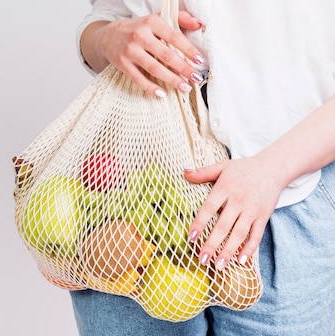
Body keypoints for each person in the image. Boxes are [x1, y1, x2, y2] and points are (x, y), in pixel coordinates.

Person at [69, 1, 335, 335]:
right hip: (133, 198)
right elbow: (107, 17)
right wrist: (108, 38)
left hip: (287, 193)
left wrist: (272, 170)